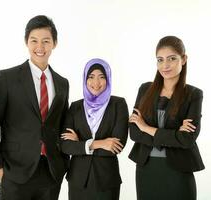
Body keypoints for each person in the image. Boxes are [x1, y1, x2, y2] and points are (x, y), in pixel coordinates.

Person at [0, 15, 69, 200]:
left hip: (51, 171)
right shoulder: (7, 79)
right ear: (26, 42)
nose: (40, 47)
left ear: (54, 43)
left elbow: (62, 126)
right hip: (14, 172)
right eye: (34, 41)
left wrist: (63, 163)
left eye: (46, 41)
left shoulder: (62, 83)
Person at [129, 36, 204, 200]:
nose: (165, 65)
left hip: (178, 169)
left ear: (183, 59)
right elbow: (134, 133)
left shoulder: (193, 94)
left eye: (172, 58)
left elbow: (187, 139)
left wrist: (146, 128)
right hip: (147, 168)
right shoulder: (145, 89)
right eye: (160, 60)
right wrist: (174, 135)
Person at [61, 58, 129, 200]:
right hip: (78, 180)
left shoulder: (118, 104)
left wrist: (80, 144)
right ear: (85, 79)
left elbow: (116, 147)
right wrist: (98, 143)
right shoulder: (75, 107)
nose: (96, 83)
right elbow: (65, 146)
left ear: (108, 79)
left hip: (106, 180)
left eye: (101, 77)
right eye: (91, 77)